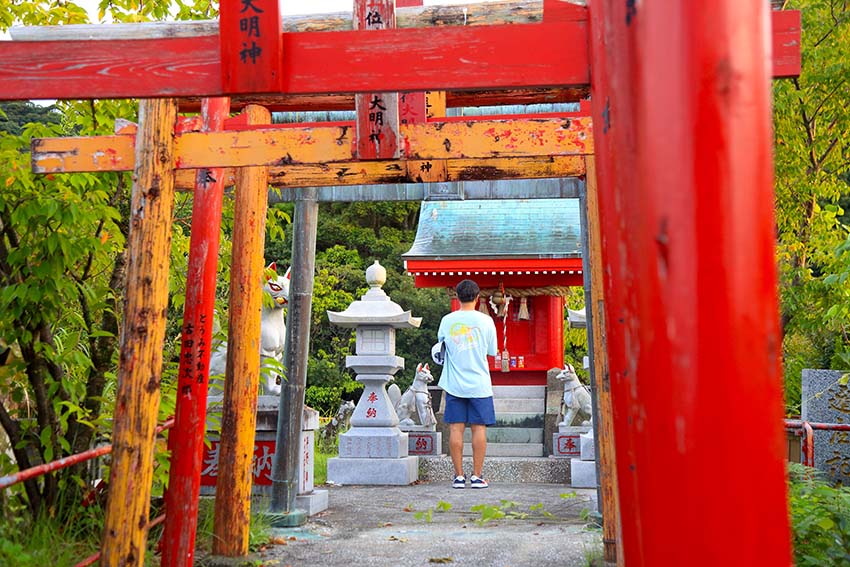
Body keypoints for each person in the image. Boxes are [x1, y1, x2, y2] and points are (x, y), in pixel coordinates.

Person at [437, 279, 498, 489]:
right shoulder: (486, 321)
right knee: (479, 428)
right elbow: (492, 351)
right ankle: (477, 476)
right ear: (477, 297)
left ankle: (459, 476)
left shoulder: (447, 321)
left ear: (457, 296)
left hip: (454, 383)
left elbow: (440, 347)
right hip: (479, 383)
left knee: (456, 428)